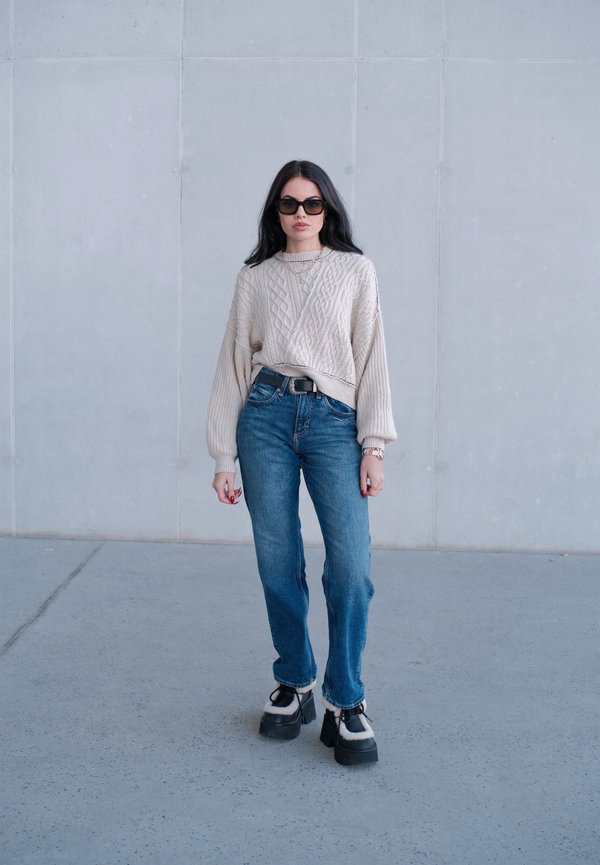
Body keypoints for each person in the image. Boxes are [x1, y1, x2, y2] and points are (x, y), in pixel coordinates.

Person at [207, 159, 396, 766]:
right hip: (263, 415)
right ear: (275, 211)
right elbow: (234, 360)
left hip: (334, 421)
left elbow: (371, 357)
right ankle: (295, 679)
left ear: (328, 210)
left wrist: (374, 445)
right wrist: (222, 455)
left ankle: (346, 699)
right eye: (289, 205)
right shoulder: (256, 276)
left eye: (312, 205)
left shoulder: (355, 271)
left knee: (349, 566)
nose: (300, 216)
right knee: (277, 560)